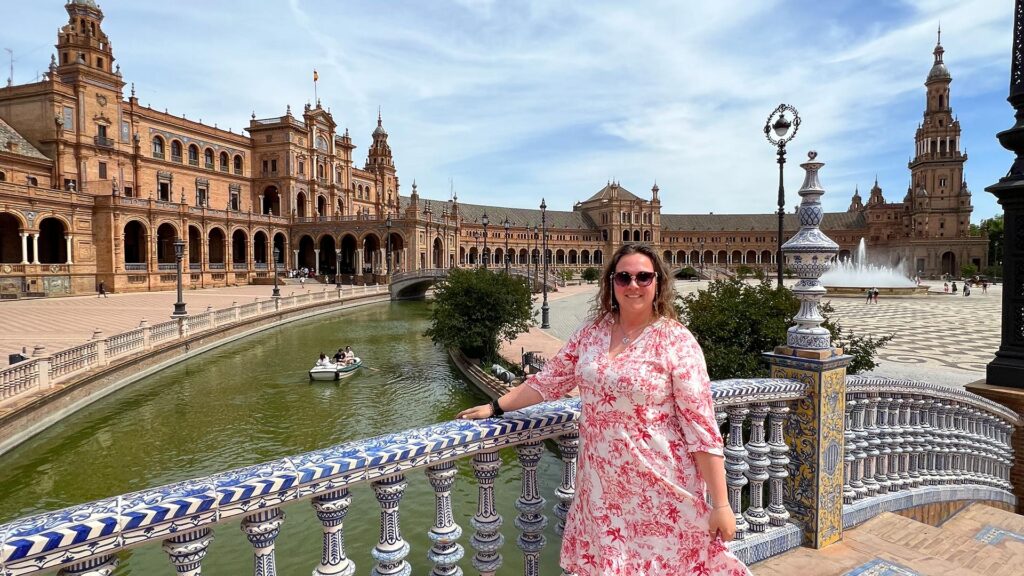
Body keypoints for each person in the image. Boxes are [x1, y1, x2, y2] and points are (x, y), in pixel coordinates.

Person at [457, 243, 749, 575]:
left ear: (658, 283)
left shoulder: (677, 342)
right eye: (623, 277)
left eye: (643, 277)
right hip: (599, 486)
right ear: (611, 282)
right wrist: (496, 407)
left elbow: (702, 429)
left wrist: (722, 504)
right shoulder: (592, 332)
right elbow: (549, 380)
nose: (633, 285)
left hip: (658, 485)